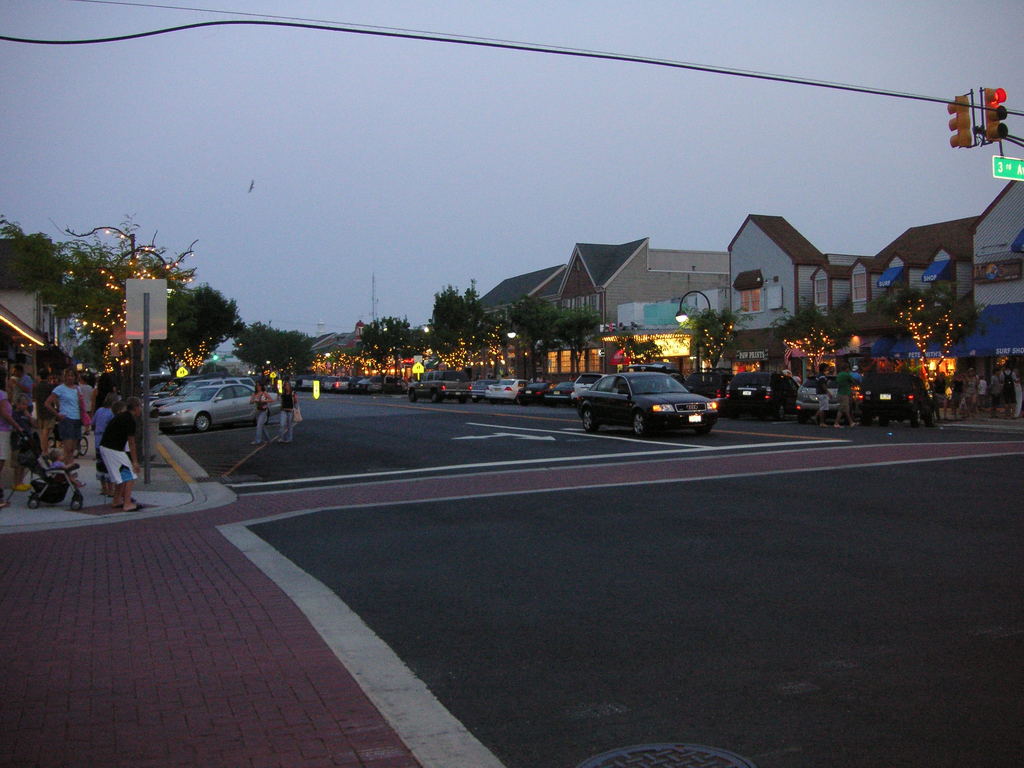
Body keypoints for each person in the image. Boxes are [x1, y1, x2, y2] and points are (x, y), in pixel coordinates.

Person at [98, 397, 142, 512]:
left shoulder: (122, 416)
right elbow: (131, 442)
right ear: (136, 407)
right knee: (130, 476)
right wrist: (135, 462)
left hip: (108, 448)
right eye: (140, 407)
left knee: (122, 474)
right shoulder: (130, 420)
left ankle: (117, 500)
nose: (141, 410)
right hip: (113, 449)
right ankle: (127, 503)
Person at [45, 369, 85, 465]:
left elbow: (80, 404)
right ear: (64, 377)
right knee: (68, 448)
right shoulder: (60, 389)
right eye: (68, 375)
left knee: (73, 449)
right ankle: (67, 470)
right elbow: (47, 403)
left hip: (77, 419)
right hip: (67, 419)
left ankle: (70, 467)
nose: (70, 378)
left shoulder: (77, 389)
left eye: (72, 375)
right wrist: (57, 414)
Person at [0, 385, 29, 508]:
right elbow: (4, 413)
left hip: (4, 430)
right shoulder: (2, 395)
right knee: (0, 462)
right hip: (2, 430)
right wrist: (17, 426)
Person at [93, 394, 119, 497]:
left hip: (98, 440)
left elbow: (93, 422)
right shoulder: (112, 413)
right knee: (109, 466)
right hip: (108, 441)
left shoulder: (99, 411)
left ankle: (103, 488)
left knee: (100, 465)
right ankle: (111, 489)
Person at [10, 394, 37, 492]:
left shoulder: (26, 414)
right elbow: (12, 426)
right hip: (18, 441)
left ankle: (21, 482)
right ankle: (16, 483)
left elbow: (35, 425)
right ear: (17, 404)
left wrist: (29, 416)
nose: (24, 406)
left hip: (27, 441)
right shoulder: (14, 414)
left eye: (26, 404)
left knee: (24, 462)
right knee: (17, 463)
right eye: (22, 404)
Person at [33, 367, 56, 447]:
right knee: (46, 432)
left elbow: (35, 399)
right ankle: (44, 449)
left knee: (42, 432)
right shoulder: (50, 386)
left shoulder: (37, 386)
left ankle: (43, 448)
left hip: (40, 411)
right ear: (48, 376)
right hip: (49, 412)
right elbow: (54, 399)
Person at [834, 363, 856, 427]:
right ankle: (836, 422)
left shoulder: (839, 374)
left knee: (845, 409)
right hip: (845, 393)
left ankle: (851, 422)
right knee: (843, 409)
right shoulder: (847, 375)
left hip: (840, 393)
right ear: (846, 368)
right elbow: (853, 381)